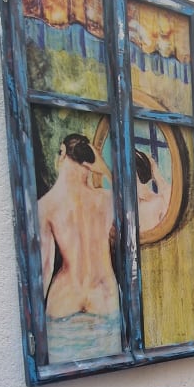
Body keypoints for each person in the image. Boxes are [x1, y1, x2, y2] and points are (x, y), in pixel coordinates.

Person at [38, 133, 119, 320]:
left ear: (63, 152)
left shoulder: (46, 206)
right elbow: (134, 203)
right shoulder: (106, 199)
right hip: (104, 296)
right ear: (91, 161)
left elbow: (45, 268)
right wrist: (105, 170)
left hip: (64, 299)